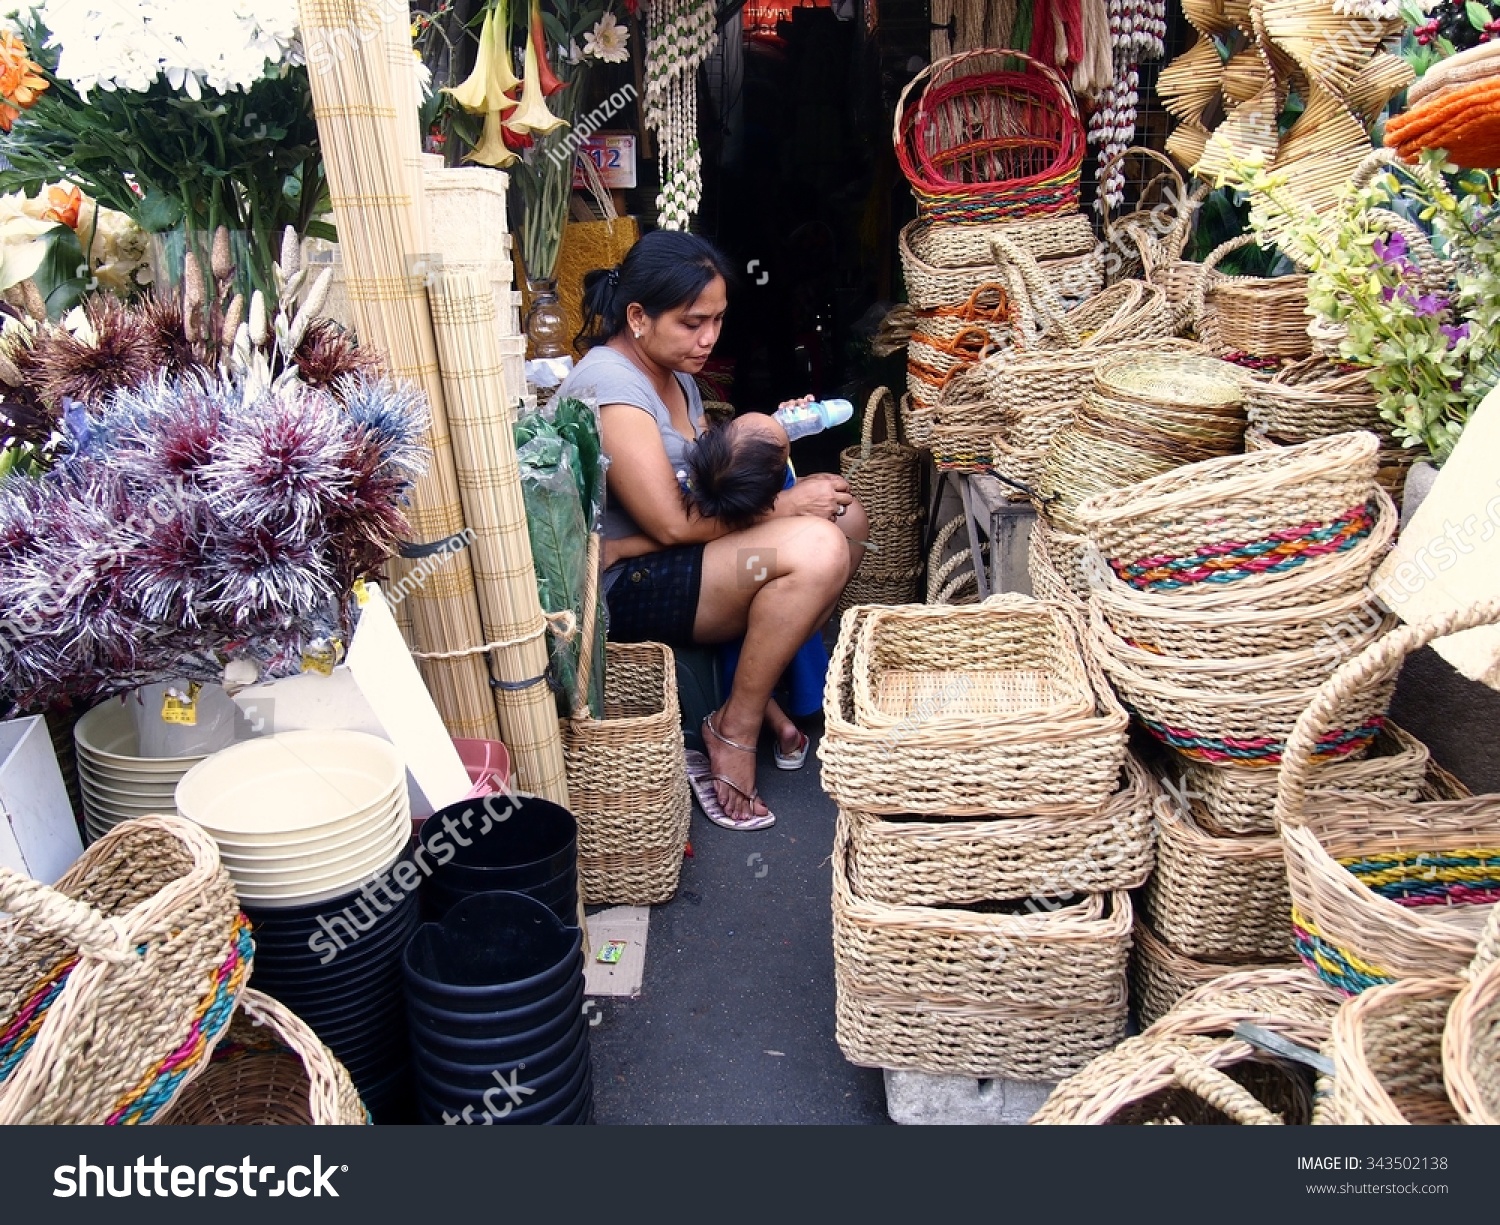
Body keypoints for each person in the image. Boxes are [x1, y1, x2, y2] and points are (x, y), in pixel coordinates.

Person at [553, 230, 868, 829]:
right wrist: (784, 506)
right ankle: (735, 727)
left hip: (671, 555)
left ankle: (761, 684)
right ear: (638, 317)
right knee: (818, 544)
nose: (708, 339)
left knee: (846, 517)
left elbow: (704, 490)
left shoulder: (678, 377)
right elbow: (674, 521)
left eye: (718, 321)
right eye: (693, 323)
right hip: (630, 584)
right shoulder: (613, 388)